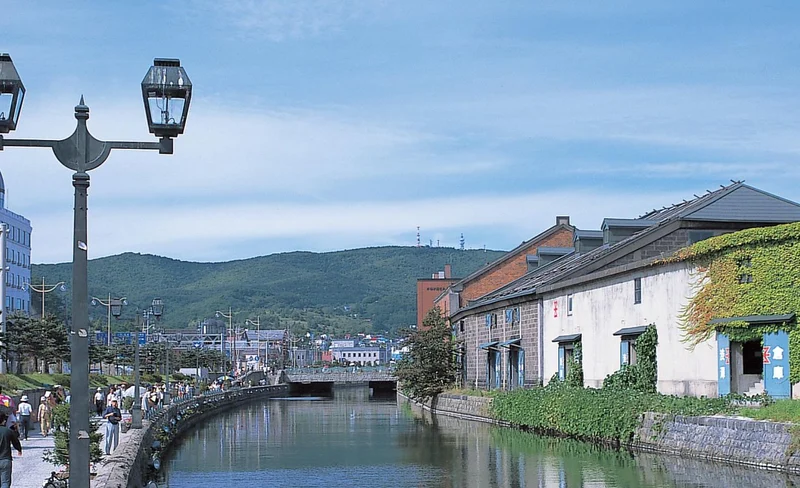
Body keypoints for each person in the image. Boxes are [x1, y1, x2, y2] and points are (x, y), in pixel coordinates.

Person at [0, 412, 22, 488]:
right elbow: (15, 442)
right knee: (5, 482)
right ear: (4, 420)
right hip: (5, 459)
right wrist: (19, 449)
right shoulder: (8, 431)